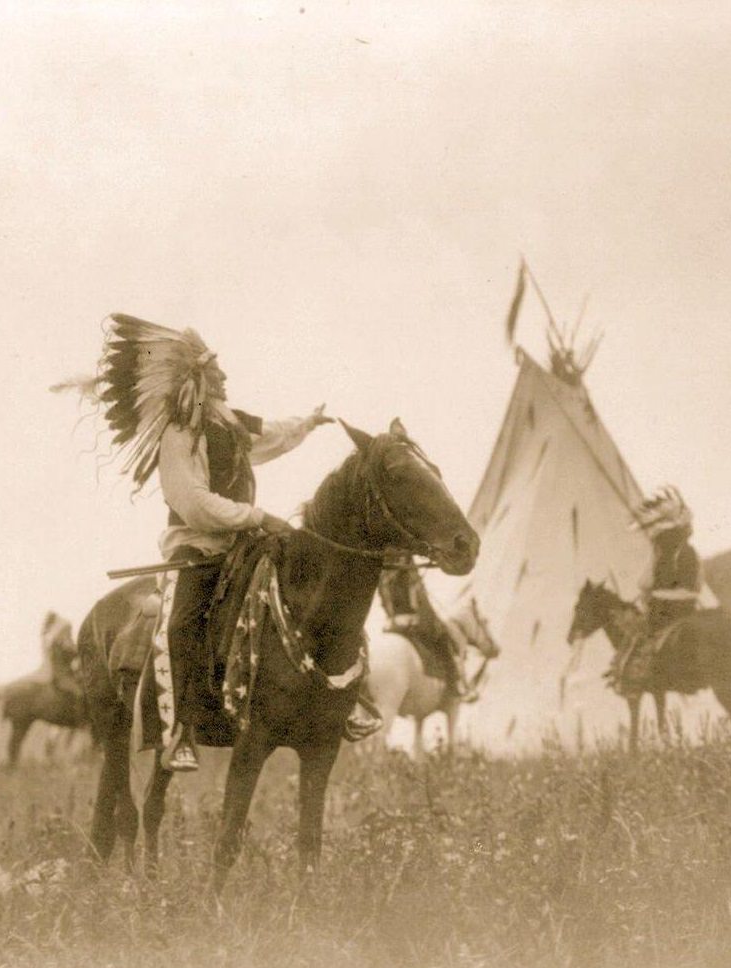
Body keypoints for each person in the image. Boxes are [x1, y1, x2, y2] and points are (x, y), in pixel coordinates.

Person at [63, 314, 345, 771]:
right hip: (196, 550)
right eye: (217, 370)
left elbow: (269, 434)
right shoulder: (181, 434)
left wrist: (307, 423)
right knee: (181, 623)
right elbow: (193, 503)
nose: (226, 376)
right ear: (198, 376)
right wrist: (255, 515)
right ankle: (180, 731)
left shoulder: (227, 423)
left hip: (241, 541)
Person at [609, 487, 702, 688]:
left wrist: (656, 595)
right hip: (661, 607)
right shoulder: (663, 555)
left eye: (661, 534)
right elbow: (645, 582)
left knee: (638, 636)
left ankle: (633, 678)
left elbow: (690, 589)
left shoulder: (685, 554)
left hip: (674, 611)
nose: (657, 538)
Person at [378, 563, 465, 696]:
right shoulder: (406, 571)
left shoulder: (383, 574)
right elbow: (418, 604)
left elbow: (385, 602)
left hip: (392, 623)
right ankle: (453, 685)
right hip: (410, 620)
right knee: (442, 637)